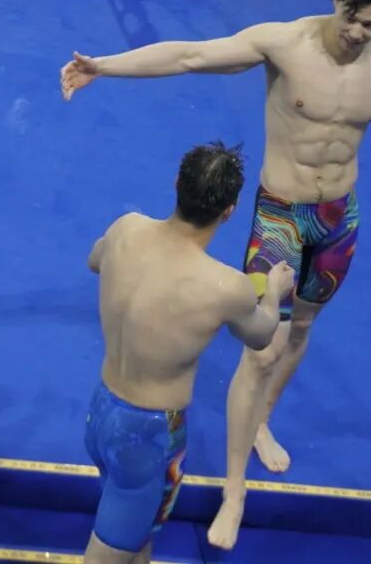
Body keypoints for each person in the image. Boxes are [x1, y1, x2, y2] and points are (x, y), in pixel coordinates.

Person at [64, 0, 371, 550]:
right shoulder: (286, 44)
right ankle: (235, 491)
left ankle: (261, 420)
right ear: (335, 1)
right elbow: (191, 56)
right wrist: (104, 66)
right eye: (352, 17)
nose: (358, 32)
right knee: (263, 345)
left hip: (337, 219)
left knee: (301, 330)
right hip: (281, 216)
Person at [83, 141, 295, 563]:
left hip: (101, 414)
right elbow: (261, 336)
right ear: (229, 211)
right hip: (148, 440)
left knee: (135, 536)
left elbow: (95, 260)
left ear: (177, 182)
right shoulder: (225, 287)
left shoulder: (126, 227)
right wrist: (273, 292)